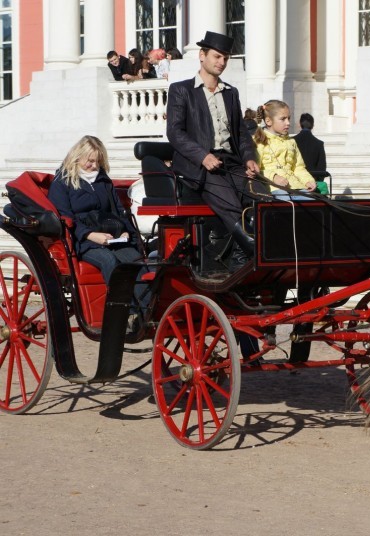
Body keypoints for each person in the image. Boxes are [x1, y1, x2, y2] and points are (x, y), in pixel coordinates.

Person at [166, 31, 260, 272]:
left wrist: (250, 158)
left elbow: (240, 133)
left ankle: (244, 256)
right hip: (199, 165)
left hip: (231, 162)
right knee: (230, 205)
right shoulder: (181, 90)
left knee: (258, 198)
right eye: (217, 56)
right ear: (202, 55)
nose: (221, 62)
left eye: (225, 58)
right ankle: (249, 254)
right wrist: (202, 156)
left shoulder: (231, 92)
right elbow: (175, 133)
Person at [47, 135, 148, 332]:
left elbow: (118, 211)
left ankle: (147, 310)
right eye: (90, 161)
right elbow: (65, 217)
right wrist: (91, 235)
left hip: (112, 236)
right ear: (78, 157)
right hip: (82, 241)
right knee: (109, 261)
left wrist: (127, 231)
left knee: (135, 260)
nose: (94, 165)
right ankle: (128, 313)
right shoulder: (62, 182)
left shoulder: (103, 180)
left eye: (98, 161)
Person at [253, 100, 317, 199]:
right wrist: (273, 177)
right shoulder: (258, 141)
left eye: (289, 118)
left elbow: (298, 167)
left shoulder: (291, 142)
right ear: (268, 121)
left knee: (311, 202)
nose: (288, 123)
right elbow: (254, 170)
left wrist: (308, 180)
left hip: (296, 187)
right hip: (272, 189)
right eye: (283, 119)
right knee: (285, 202)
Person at [293, 113, 329, 194]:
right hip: (313, 184)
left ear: (299, 124)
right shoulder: (319, 143)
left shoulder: (291, 141)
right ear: (313, 125)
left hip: (294, 183)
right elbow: (322, 167)